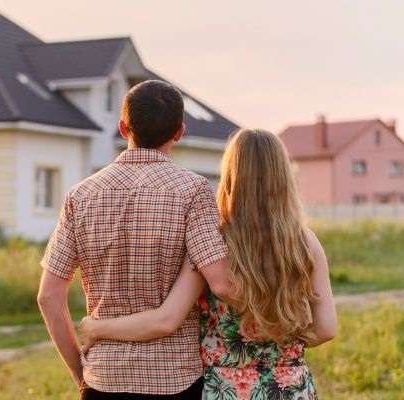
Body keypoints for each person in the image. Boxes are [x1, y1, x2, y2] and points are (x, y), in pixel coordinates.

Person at [79, 128, 338, 399]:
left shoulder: (211, 244)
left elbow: (165, 320)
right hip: (291, 386)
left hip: (226, 389)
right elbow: (326, 329)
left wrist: (97, 328)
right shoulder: (306, 244)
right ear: (283, 177)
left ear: (230, 177)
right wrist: (281, 342)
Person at [38, 80, 234, 399]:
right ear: (179, 132)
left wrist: (81, 374)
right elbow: (221, 283)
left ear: (123, 128)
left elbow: (48, 297)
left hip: (102, 377)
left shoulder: (80, 195)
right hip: (176, 378)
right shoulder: (194, 191)